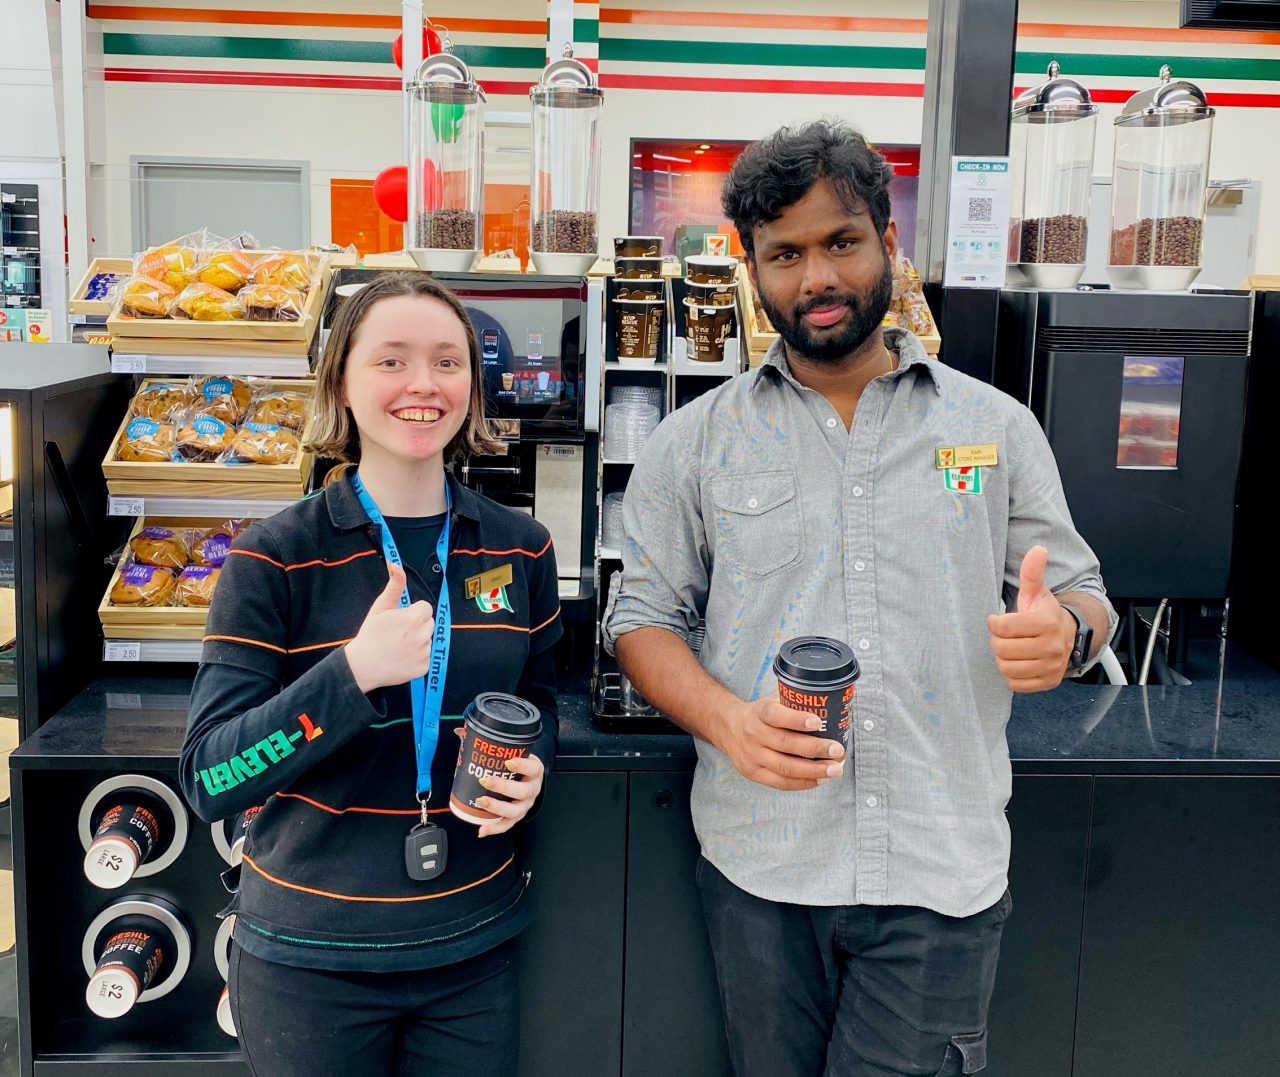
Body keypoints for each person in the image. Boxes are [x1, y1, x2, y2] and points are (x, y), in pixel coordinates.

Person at [605, 120, 1116, 1077]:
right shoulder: (692, 442)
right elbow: (641, 619)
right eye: (784, 255)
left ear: (890, 240)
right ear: (752, 270)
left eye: (840, 241)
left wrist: (1069, 633)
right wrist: (726, 718)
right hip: (762, 867)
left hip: (938, 869)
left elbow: (1081, 591)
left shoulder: (993, 427)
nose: (816, 279)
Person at [181, 272, 562, 1077]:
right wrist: (353, 673)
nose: (424, 384)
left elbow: (539, 700)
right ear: (342, 382)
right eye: (392, 361)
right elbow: (212, 773)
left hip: (471, 946)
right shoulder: (272, 554)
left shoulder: (521, 547)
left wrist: (536, 765)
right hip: (307, 960)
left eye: (447, 361)